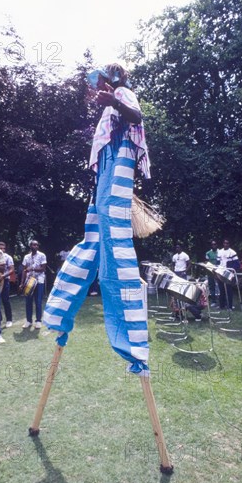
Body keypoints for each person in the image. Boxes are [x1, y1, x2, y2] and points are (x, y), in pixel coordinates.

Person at [42, 63, 151, 375]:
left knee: (114, 248)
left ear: (111, 80)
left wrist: (114, 100)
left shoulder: (122, 93)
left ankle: (132, 345)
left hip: (119, 166)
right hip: (105, 174)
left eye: (97, 81)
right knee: (93, 241)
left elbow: (137, 117)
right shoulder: (108, 106)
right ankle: (59, 315)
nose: (94, 88)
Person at [20, 240, 47, 330]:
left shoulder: (42, 255)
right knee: (28, 302)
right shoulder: (26, 257)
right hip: (29, 281)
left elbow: (43, 269)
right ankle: (28, 321)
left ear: (38, 246)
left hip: (39, 281)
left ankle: (38, 321)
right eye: (32, 245)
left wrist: (32, 268)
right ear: (30, 246)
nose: (34, 246)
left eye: (36, 245)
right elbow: (24, 270)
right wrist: (21, 283)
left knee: (38, 302)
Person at [217, 239, 239, 310]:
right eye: (224, 243)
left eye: (227, 243)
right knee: (221, 290)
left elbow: (237, 263)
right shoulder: (219, 252)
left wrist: (231, 271)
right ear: (223, 244)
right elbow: (217, 263)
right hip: (220, 272)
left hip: (228, 273)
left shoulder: (232, 252)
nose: (226, 244)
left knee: (229, 290)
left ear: (229, 244)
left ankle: (229, 306)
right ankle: (221, 305)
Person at [0, 242, 15, 328]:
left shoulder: (8, 257)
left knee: (5, 300)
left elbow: (11, 270)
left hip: (5, 280)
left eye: (3, 248)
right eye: (0, 248)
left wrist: (3, 276)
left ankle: (9, 320)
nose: (2, 250)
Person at [205, 240, 219, 305]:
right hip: (210, 271)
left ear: (217, 245)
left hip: (219, 271)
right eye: (212, 244)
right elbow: (207, 262)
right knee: (211, 285)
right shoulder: (208, 253)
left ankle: (221, 300)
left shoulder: (220, 252)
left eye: (215, 244)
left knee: (220, 285)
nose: (214, 246)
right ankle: (213, 301)